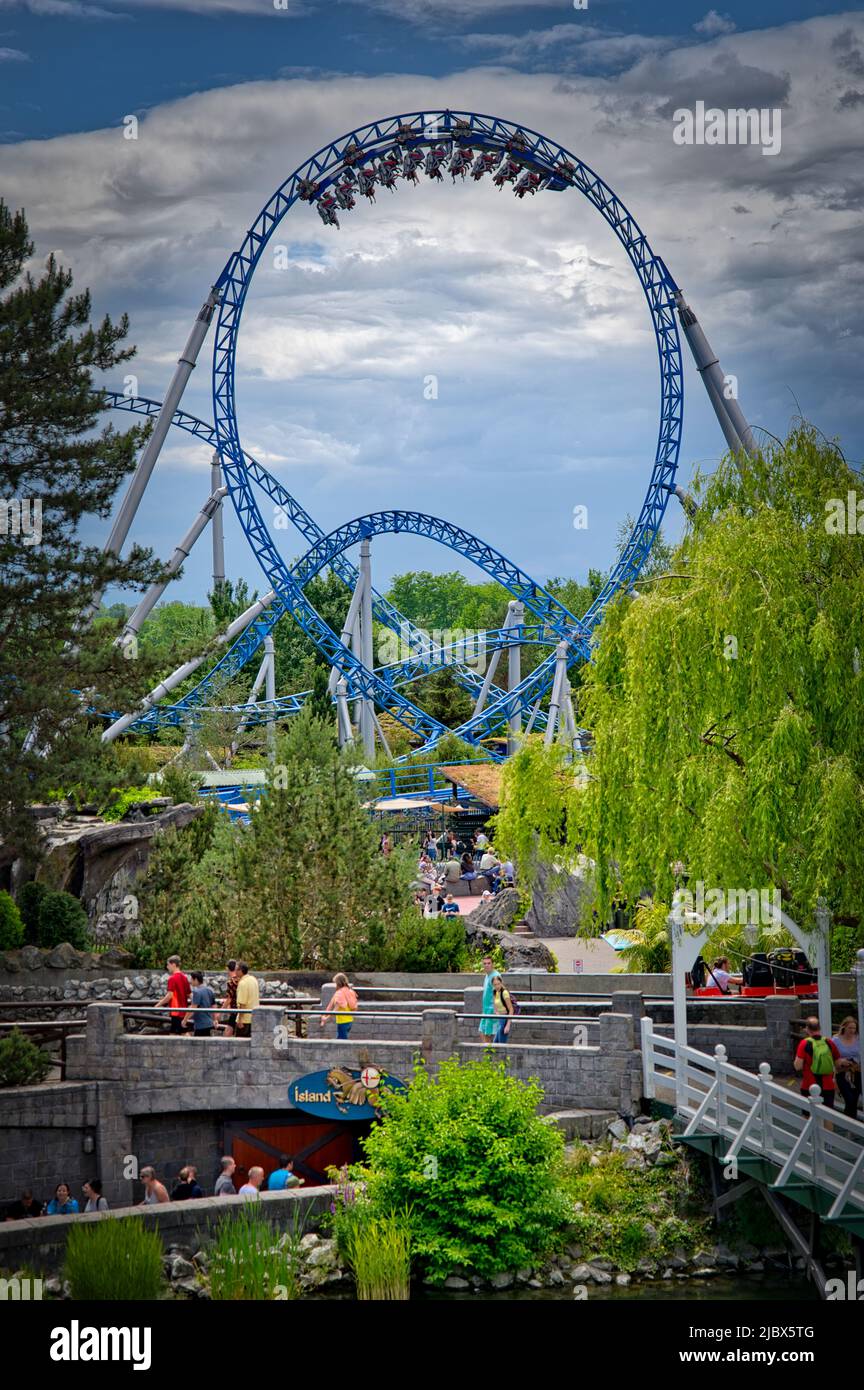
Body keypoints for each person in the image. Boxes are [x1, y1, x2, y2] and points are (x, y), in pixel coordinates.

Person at [794, 1016, 841, 1108]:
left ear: (807, 1029)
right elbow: (838, 1063)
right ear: (819, 1028)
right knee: (827, 1116)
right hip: (828, 1085)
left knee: (807, 1116)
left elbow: (798, 1066)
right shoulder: (828, 1042)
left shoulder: (804, 1043)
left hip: (809, 1085)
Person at [831, 1016, 861, 1119]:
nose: (852, 1031)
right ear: (844, 1027)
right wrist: (840, 1061)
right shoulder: (835, 1040)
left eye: (854, 1028)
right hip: (842, 1072)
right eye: (850, 1028)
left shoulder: (859, 1039)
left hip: (857, 1072)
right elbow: (831, 1057)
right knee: (849, 1099)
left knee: (854, 1100)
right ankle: (847, 1123)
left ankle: (852, 1125)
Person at [155, 955, 191, 1035]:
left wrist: (158, 1005)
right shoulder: (184, 977)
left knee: (179, 1034)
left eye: (168, 965)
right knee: (177, 1033)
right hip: (183, 1011)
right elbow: (189, 994)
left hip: (176, 1011)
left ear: (173, 965)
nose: (167, 967)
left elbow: (169, 996)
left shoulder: (172, 978)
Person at [321, 972, 359, 1039]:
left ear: (338, 983)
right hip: (349, 1021)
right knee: (341, 1039)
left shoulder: (339, 994)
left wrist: (326, 1018)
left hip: (342, 1022)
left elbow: (335, 1010)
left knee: (341, 1042)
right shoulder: (349, 991)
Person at [235, 959, 260, 1038]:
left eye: (236, 969)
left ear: (240, 971)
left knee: (240, 1044)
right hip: (254, 1017)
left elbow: (242, 1003)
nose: (235, 971)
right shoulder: (253, 979)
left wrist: (240, 1020)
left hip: (245, 1019)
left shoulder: (243, 983)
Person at [187, 971, 216, 1037]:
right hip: (209, 1023)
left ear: (196, 980)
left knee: (198, 1045)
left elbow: (193, 1008)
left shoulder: (197, 992)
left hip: (201, 1024)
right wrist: (215, 1019)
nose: (190, 981)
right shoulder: (209, 990)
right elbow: (214, 1006)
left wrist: (185, 1020)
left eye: (191, 979)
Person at [478, 956, 499, 1042]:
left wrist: (496, 1010)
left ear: (492, 964)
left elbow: (497, 993)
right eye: (485, 963)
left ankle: (489, 1054)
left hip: (492, 1010)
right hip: (486, 1010)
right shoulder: (487, 975)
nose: (487, 965)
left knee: (487, 1034)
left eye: (489, 963)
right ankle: (488, 1053)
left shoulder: (495, 976)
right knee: (482, 1032)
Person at [217, 960, 240, 1037]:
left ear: (228, 969)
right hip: (240, 1008)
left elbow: (229, 998)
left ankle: (224, 1047)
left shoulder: (231, 981)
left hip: (234, 1010)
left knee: (228, 1030)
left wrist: (220, 1012)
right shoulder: (240, 979)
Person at [492, 975, 515, 1045]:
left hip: (505, 1018)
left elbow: (511, 1009)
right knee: (495, 1043)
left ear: (501, 983)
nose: (497, 986)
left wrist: (508, 1025)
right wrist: (497, 1015)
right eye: (495, 984)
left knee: (501, 1044)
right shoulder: (494, 992)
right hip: (500, 1018)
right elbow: (495, 1007)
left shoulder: (504, 993)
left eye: (498, 984)